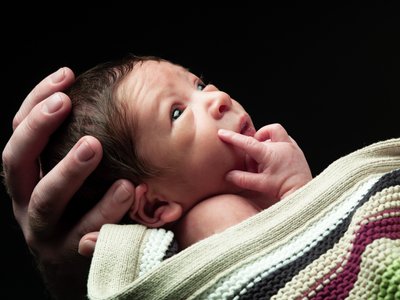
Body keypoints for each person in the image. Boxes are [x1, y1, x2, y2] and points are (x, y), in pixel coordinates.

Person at [2, 56, 311, 299]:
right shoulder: (214, 215)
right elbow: (291, 278)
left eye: (199, 85)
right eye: (176, 113)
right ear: (154, 207)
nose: (219, 99)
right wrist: (302, 191)